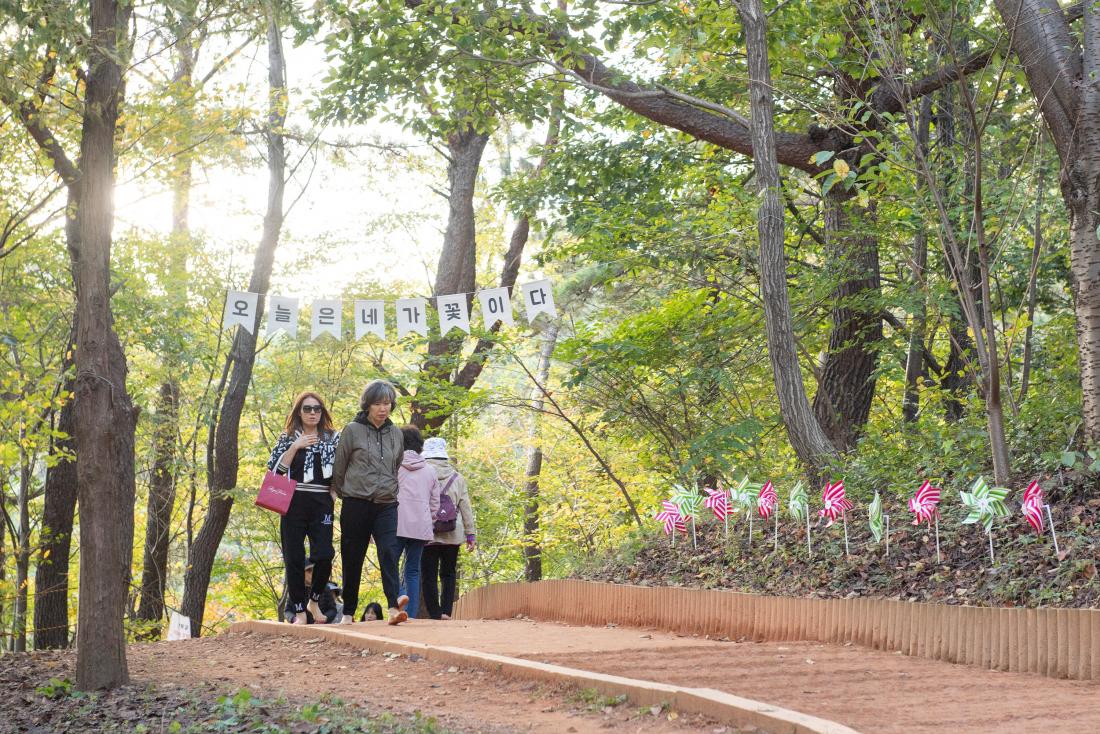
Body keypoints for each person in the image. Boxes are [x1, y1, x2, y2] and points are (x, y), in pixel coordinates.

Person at [331, 379, 405, 624]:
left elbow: (396, 465)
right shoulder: (352, 430)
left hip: (386, 503)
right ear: (368, 405)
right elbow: (339, 466)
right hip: (356, 503)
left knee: (389, 552)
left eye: (387, 403)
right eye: (377, 404)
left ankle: (394, 607)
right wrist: (344, 493)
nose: (383, 408)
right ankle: (349, 612)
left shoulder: (396, 433)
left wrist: (389, 489)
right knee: (353, 556)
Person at [267, 391, 340, 625]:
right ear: (299, 411)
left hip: (322, 504)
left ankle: (315, 600)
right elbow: (275, 471)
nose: (312, 413)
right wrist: (295, 446)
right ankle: (299, 610)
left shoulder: (332, 438)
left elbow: (342, 469)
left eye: (317, 409)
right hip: (293, 502)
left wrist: (336, 491)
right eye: (307, 408)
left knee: (325, 555)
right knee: (294, 558)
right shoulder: (288, 437)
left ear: (322, 412)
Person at [419, 436, 476, 620]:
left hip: (427, 531)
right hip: (453, 531)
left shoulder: (420, 474)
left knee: (428, 575)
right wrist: (470, 534)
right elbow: (465, 507)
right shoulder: (457, 477)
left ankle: (434, 614)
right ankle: (446, 612)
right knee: (448, 573)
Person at [394, 425, 441, 624]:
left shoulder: (393, 466)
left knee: (390, 566)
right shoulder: (430, 470)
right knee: (413, 570)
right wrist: (428, 520)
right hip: (420, 526)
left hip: (396, 524)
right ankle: (411, 614)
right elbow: (435, 502)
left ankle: (398, 600)